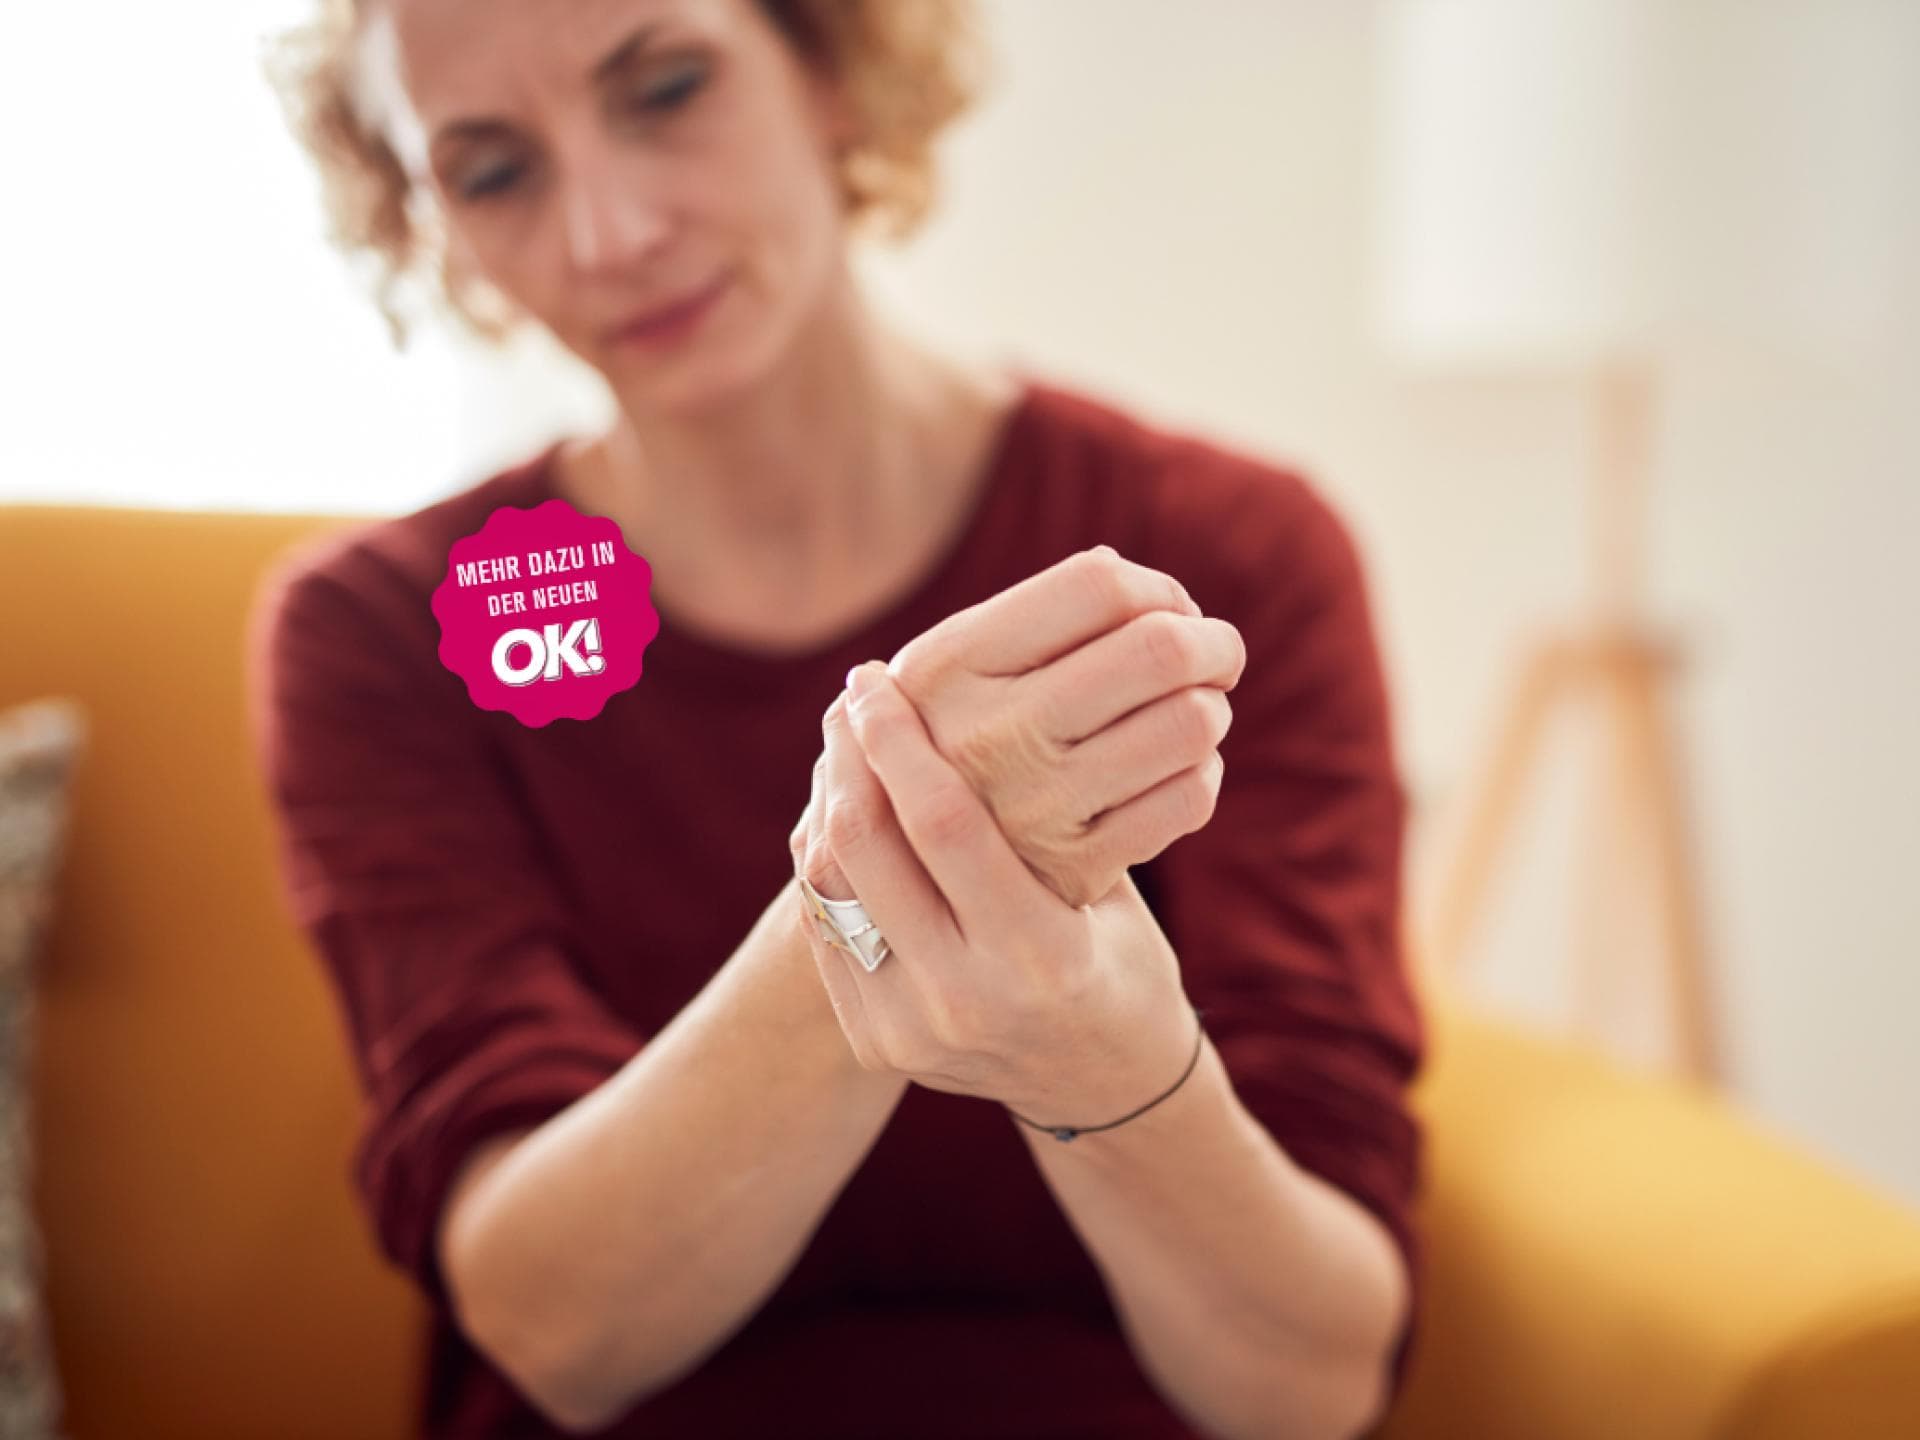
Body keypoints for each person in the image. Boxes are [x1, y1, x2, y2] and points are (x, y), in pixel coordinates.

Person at [249, 1, 1428, 1436]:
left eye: (665, 90)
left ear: (834, 67)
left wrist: (1113, 1068)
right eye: (494, 172)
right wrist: (896, 871)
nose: (610, 234)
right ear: (432, 226)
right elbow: (557, 1334)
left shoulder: (1221, 555)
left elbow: (1309, 1387)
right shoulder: (408, 627)